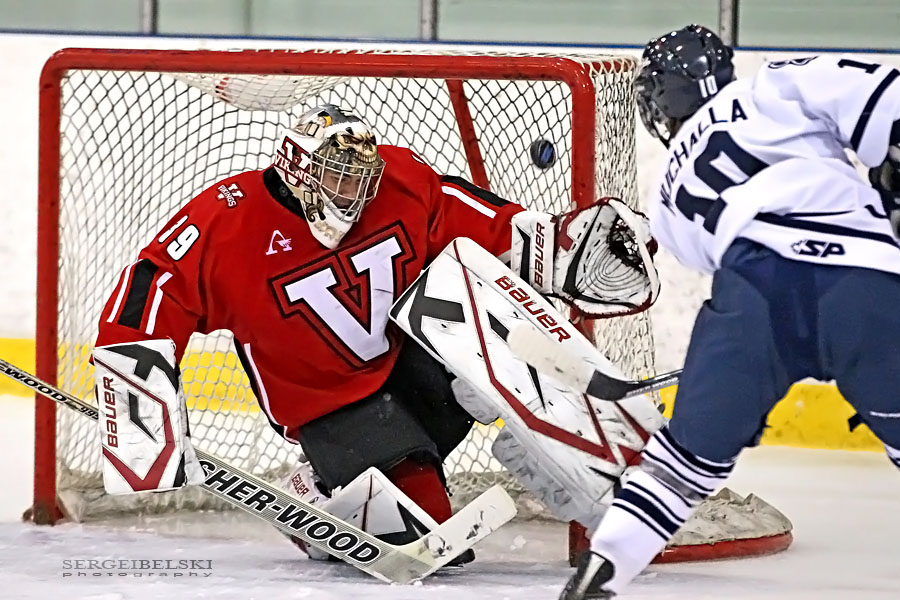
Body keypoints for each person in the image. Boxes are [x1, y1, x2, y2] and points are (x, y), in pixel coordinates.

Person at [89, 104, 658, 563]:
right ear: (299, 169)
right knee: (422, 535)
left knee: (489, 318)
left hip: (415, 365)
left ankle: (593, 465)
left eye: (363, 178)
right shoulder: (225, 220)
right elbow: (151, 288)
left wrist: (564, 249)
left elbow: (481, 223)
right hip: (330, 407)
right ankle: (316, 496)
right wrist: (137, 389)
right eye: (339, 179)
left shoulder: (402, 182)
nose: (355, 194)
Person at [561, 24, 900, 599]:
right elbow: (886, 96)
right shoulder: (773, 86)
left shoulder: (668, 192)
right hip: (865, 279)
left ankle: (604, 570)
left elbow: (705, 253)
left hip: (753, 296)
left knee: (680, 464)